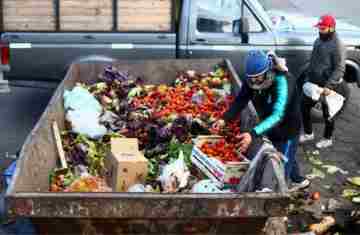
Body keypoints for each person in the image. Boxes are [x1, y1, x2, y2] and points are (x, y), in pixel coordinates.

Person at [214, 49, 310, 190]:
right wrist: (224, 119)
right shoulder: (252, 79)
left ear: (268, 70)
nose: (254, 82)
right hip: (269, 125)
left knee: (282, 164)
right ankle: (299, 180)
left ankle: (281, 194)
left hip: (286, 128)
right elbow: (241, 99)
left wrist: (252, 134)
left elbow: (277, 115)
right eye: (251, 78)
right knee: (284, 153)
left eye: (258, 78)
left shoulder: (283, 82)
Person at [300, 14, 350, 148]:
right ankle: (308, 133)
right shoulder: (318, 40)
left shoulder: (338, 45)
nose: (319, 30)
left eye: (322, 28)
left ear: (331, 28)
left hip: (329, 86)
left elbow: (340, 68)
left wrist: (329, 86)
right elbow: (313, 62)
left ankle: (328, 138)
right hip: (314, 83)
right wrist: (308, 78)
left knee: (328, 113)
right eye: (319, 28)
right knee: (304, 107)